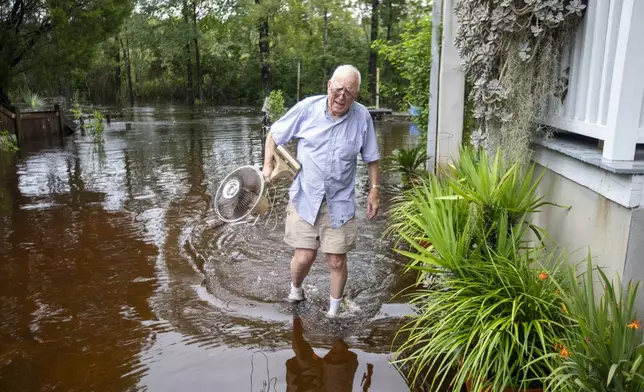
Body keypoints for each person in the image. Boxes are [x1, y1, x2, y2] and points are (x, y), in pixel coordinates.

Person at [262, 64, 381, 318]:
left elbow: (371, 157)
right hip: (305, 196)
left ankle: (333, 313)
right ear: (329, 85)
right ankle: (296, 289)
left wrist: (374, 191)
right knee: (304, 257)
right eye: (338, 88)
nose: (342, 96)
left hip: (340, 202)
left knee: (336, 260)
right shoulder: (307, 109)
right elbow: (274, 133)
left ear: (356, 95)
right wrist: (267, 166)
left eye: (349, 92)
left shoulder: (362, 118)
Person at [285, 316, 359, 392]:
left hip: (307, 384)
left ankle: (297, 313)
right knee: (338, 357)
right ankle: (338, 319)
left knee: (299, 350)